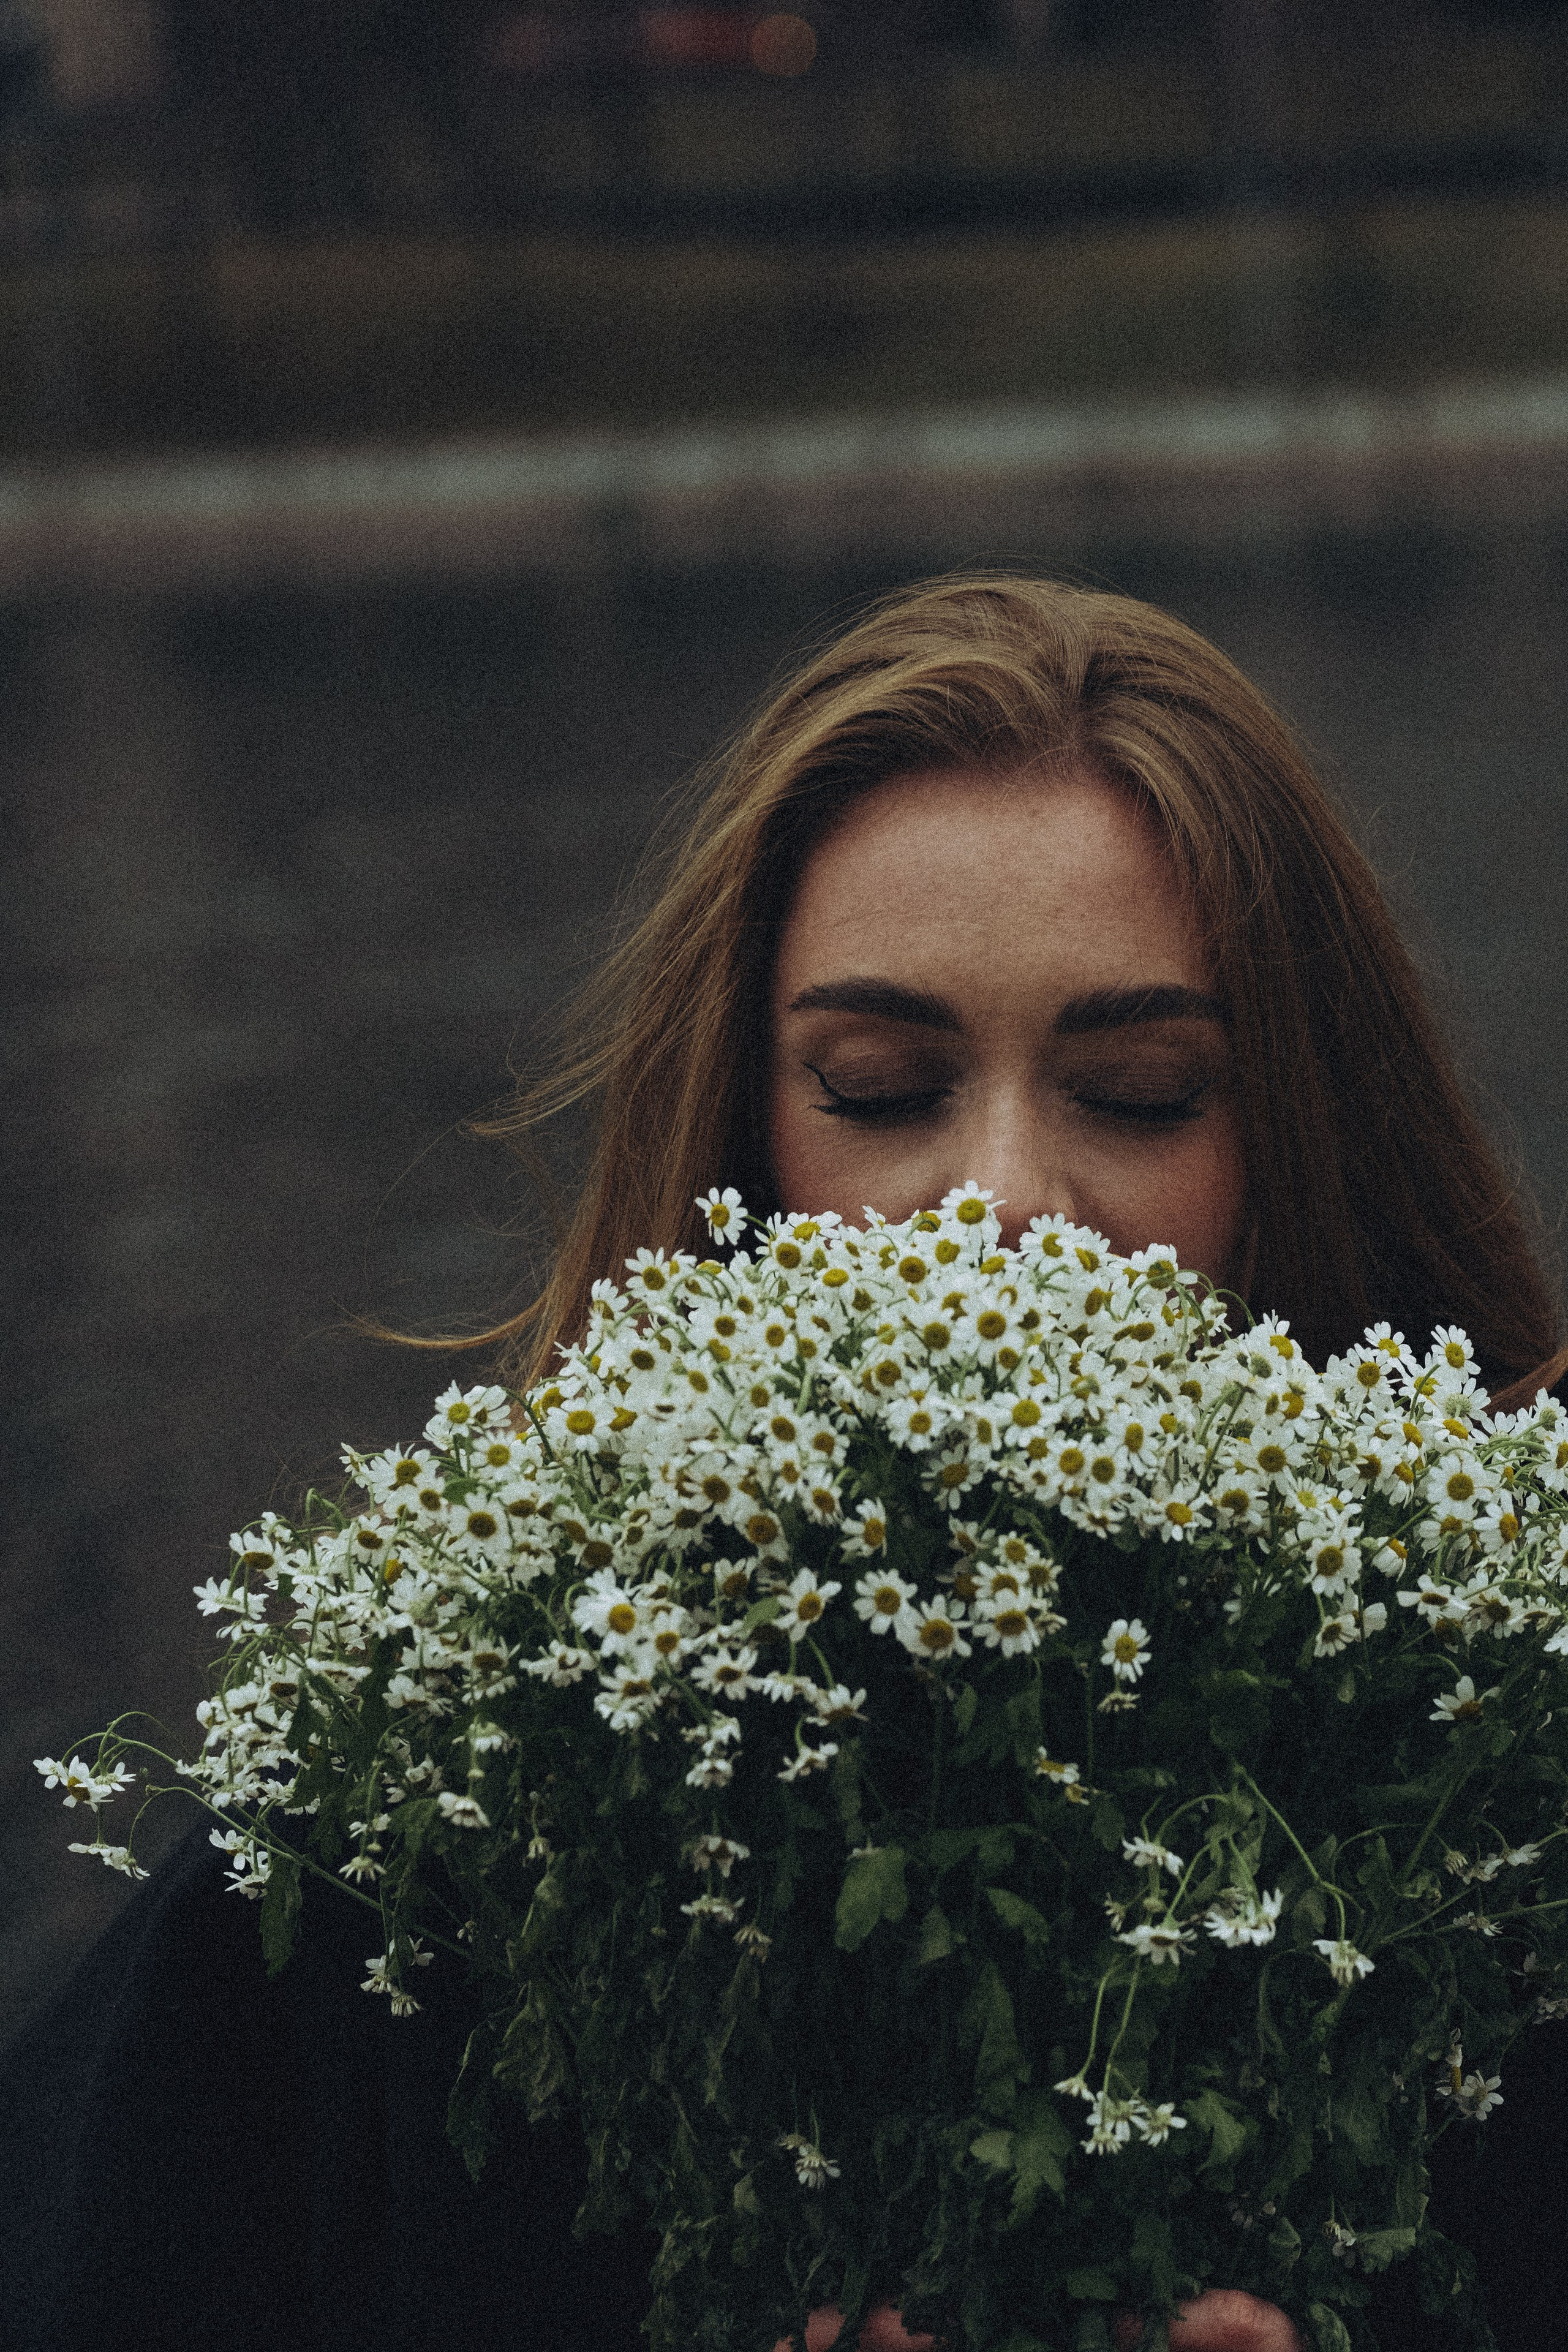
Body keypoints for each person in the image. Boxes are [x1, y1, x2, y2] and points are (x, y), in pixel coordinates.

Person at [6, 574, 1564, 2352]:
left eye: (1138, 1092)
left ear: (1310, 1142)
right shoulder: (384, 1890)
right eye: (882, 1085)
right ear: (736, 1142)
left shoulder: (1515, 1841)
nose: (997, 1209)